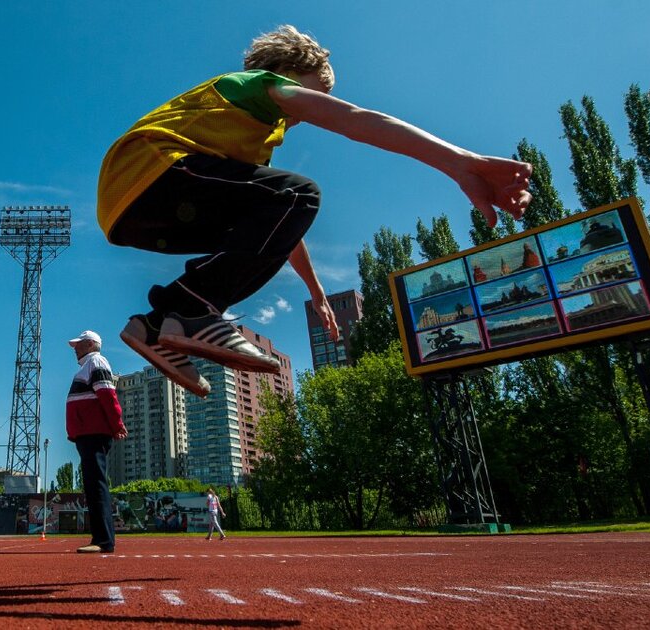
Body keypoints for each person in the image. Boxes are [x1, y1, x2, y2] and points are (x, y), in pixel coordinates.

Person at [100, 24, 532, 397]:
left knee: (277, 208)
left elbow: (279, 230)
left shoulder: (242, 140)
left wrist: (317, 292)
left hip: (133, 209)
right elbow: (358, 120)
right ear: (290, 72)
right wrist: (461, 162)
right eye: (319, 93)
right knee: (301, 193)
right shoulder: (259, 85)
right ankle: (188, 309)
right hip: (156, 171)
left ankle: (155, 327)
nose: (311, 112)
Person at [64, 330, 126, 553]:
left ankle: (103, 541)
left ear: (90, 344)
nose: (75, 349)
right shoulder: (88, 365)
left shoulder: (96, 361)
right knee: (93, 485)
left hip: (94, 433)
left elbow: (108, 395)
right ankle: (100, 538)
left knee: (96, 484)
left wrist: (117, 424)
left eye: (78, 344)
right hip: (88, 433)